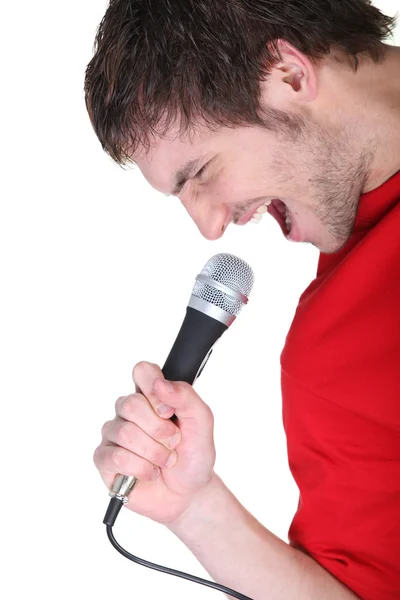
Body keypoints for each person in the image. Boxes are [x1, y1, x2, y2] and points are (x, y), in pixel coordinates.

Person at [84, 1, 400, 598]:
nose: (209, 228)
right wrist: (194, 507)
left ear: (287, 75)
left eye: (200, 172)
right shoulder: (336, 351)